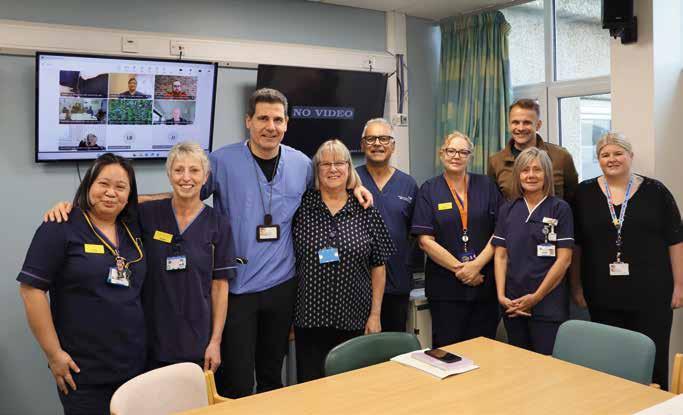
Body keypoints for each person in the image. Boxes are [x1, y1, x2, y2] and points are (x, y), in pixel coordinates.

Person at [19, 154, 146, 414]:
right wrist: (54, 355)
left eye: (121, 187)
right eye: (103, 184)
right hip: (84, 371)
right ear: (88, 185)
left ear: (129, 195)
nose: (111, 193)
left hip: (134, 367)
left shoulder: (132, 228)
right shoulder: (60, 226)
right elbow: (31, 291)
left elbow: (167, 201)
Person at [569, 132, 683, 389]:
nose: (612, 159)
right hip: (602, 293)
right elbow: (576, 246)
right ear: (598, 159)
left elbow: (676, 240)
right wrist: (576, 286)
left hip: (652, 293)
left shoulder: (656, 191)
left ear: (630, 156)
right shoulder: (583, 193)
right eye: (605, 155)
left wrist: (680, 285)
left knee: (653, 359)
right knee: (611, 359)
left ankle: (656, 404)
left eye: (618, 153)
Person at [293, 139, 395, 382]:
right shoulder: (302, 206)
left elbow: (379, 266)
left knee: (352, 388)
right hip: (309, 318)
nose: (333, 169)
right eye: (325, 164)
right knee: (311, 387)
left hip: (355, 317)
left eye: (339, 163)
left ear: (349, 168)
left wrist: (375, 315)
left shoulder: (365, 208)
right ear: (316, 170)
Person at [139, 142, 234, 372]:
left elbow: (220, 286)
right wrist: (68, 206)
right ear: (169, 174)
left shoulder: (218, 224)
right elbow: (111, 205)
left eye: (194, 170)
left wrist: (215, 342)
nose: (186, 177)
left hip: (197, 341)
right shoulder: (148, 214)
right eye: (179, 170)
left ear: (205, 176)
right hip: (151, 340)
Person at [411, 131, 503, 347]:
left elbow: (500, 231)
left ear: (470, 156)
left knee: (484, 350)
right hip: (445, 289)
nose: (456, 156)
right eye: (451, 151)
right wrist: (462, 269)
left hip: (484, 285)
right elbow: (425, 241)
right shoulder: (429, 190)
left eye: (463, 152)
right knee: (448, 352)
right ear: (441, 154)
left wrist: (476, 265)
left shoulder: (487, 186)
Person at [492, 147, 573, 355]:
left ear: (546, 174)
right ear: (518, 175)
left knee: (547, 365)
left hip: (548, 304)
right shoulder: (508, 210)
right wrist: (501, 295)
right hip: (513, 303)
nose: (531, 175)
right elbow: (500, 255)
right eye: (525, 170)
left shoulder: (560, 209)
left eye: (537, 170)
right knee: (519, 362)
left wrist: (536, 297)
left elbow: (564, 260)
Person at [355, 118, 418, 333]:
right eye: (371, 139)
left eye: (383, 138)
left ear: (393, 145)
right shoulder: (350, 180)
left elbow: (416, 234)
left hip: (396, 281)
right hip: (358, 284)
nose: (377, 144)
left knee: (393, 344)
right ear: (362, 145)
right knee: (359, 348)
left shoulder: (408, 184)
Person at [488, 99, 578, 203]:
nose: (520, 128)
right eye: (515, 122)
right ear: (509, 125)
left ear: (538, 125)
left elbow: (574, 199)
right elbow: (493, 203)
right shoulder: (495, 162)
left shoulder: (561, 157)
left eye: (527, 123)